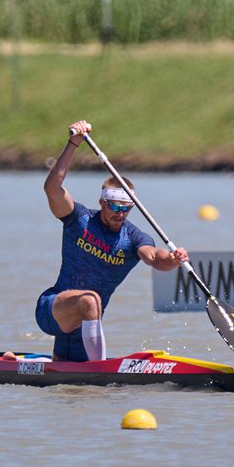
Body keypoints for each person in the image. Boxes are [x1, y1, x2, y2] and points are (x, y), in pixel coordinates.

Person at [34, 120, 189, 361]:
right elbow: (53, 188)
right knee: (90, 299)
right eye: (115, 206)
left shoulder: (135, 237)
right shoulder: (79, 219)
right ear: (102, 203)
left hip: (86, 325)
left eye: (126, 207)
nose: (120, 213)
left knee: (71, 389)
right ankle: (100, 368)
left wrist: (172, 259)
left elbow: (155, 258)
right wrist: (73, 144)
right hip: (53, 309)